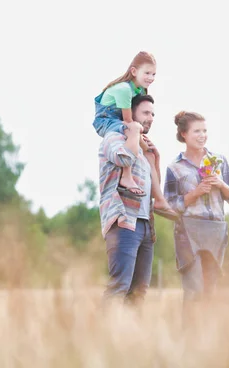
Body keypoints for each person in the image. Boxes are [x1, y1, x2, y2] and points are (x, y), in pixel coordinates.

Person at [163, 111, 229, 318]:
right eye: (197, 131)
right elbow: (169, 206)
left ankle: (208, 339)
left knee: (210, 291)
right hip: (188, 231)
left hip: (216, 229)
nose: (202, 135)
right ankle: (189, 339)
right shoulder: (174, 168)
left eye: (204, 131)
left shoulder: (219, 161)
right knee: (194, 289)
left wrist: (221, 184)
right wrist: (194, 193)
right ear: (184, 134)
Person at [93, 51, 177, 221]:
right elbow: (129, 121)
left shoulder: (138, 89)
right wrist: (141, 142)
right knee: (134, 129)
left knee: (146, 149)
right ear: (133, 71)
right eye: (147, 73)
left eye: (153, 74)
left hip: (119, 121)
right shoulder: (124, 89)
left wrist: (147, 149)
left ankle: (159, 200)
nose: (151, 77)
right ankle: (126, 176)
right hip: (106, 120)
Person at [98, 94, 163, 306]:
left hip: (145, 225)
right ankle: (99, 335)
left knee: (139, 291)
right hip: (124, 220)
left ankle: (130, 337)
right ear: (130, 113)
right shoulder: (112, 138)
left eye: (153, 114)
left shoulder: (143, 150)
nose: (151, 117)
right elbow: (124, 158)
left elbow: (154, 190)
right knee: (120, 286)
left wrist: (154, 157)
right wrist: (133, 131)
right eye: (145, 113)